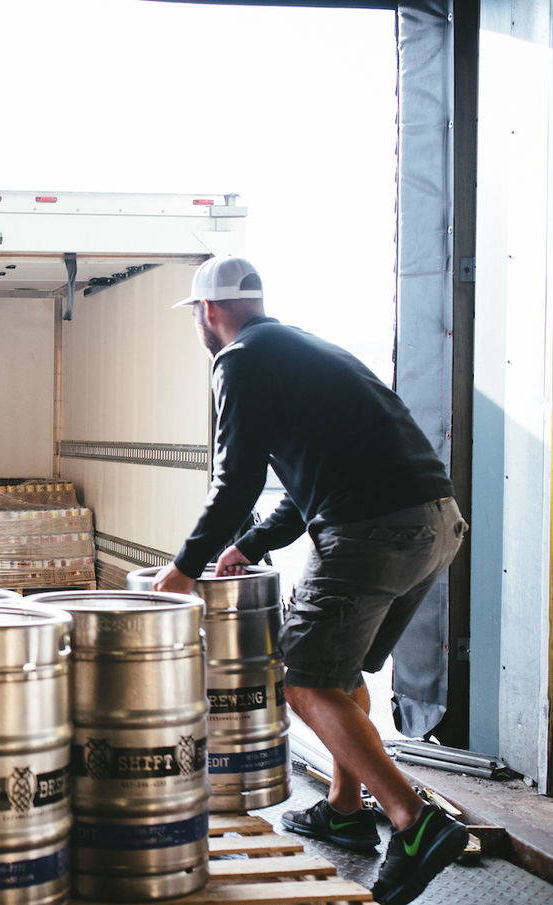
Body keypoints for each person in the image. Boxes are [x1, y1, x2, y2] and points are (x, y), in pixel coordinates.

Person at [152, 256, 469, 905]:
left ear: (209, 312)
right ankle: (345, 810)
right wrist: (249, 544)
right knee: (343, 674)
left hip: (372, 530)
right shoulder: (307, 352)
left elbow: (235, 480)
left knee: (306, 681)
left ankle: (415, 821)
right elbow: (305, 491)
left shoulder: (239, 359)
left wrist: (182, 571)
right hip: (435, 522)